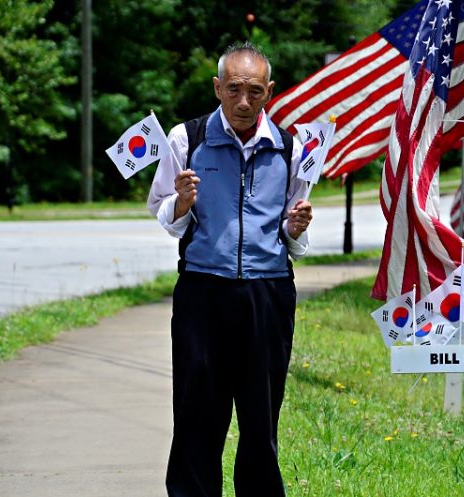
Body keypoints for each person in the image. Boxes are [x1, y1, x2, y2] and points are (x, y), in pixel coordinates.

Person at [147, 41, 313, 497]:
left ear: (270, 92)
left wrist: (295, 226)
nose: (244, 102)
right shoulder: (187, 140)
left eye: (255, 91)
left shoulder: (289, 148)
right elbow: (161, 211)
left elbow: (293, 238)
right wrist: (181, 202)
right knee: (198, 414)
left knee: (261, 420)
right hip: (204, 292)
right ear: (218, 87)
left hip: (268, 293)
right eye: (235, 89)